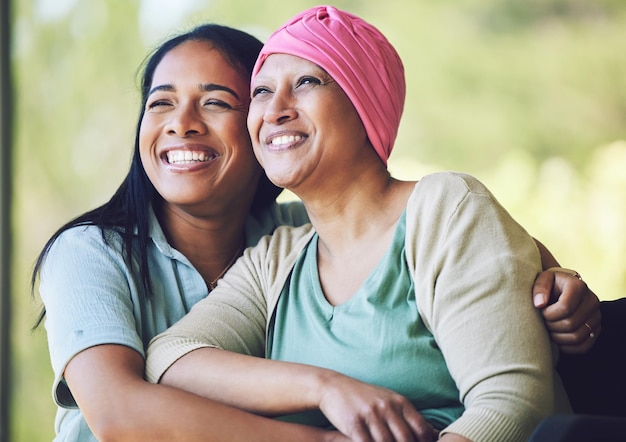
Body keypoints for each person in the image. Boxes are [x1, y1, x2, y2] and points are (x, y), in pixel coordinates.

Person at [33, 16, 597, 442]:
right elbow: (125, 407)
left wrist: (554, 280)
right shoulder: (270, 250)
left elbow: (465, 234)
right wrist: (324, 393)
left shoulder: (302, 229)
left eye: (217, 100)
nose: (182, 123)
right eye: (261, 92)